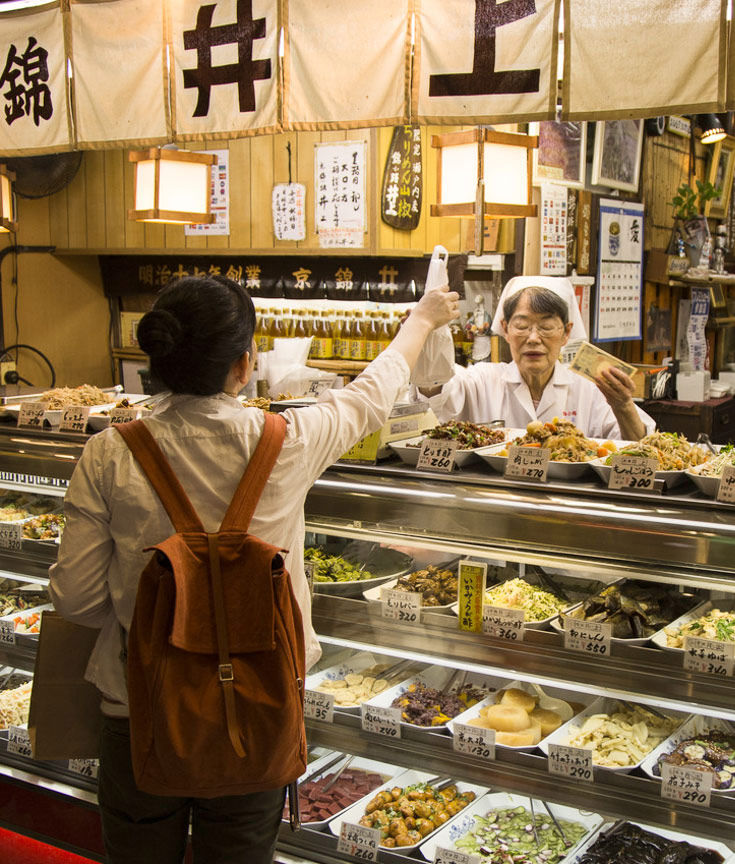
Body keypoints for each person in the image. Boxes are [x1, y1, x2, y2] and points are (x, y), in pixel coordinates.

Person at [47, 274, 459, 864]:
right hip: (259, 708)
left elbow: (76, 601)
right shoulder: (287, 439)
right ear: (246, 364)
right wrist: (419, 321)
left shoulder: (110, 451)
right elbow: (371, 396)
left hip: (139, 708)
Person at [417, 276, 655, 440]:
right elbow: (435, 394)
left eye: (546, 326)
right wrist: (427, 334)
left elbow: (641, 449)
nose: (533, 338)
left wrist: (623, 406)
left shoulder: (591, 391)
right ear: (505, 329)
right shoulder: (482, 380)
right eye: (522, 326)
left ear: (566, 333)